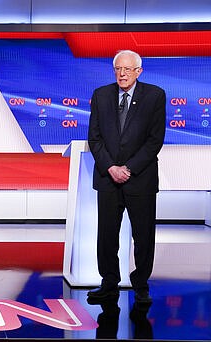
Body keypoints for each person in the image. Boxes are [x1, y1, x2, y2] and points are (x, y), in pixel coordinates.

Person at [87, 50, 166, 304]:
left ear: (138, 71)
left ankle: (140, 284)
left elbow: (155, 141)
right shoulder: (101, 95)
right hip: (108, 179)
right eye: (118, 69)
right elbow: (95, 138)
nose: (122, 74)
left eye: (128, 69)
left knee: (143, 236)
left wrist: (128, 168)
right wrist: (111, 167)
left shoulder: (154, 96)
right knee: (107, 236)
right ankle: (109, 282)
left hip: (140, 179)